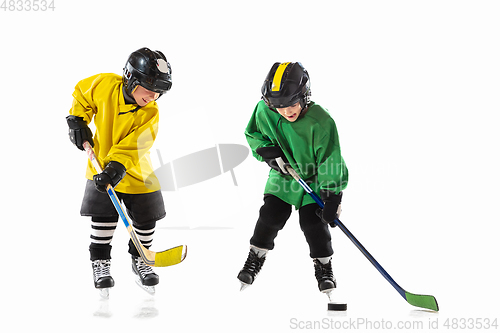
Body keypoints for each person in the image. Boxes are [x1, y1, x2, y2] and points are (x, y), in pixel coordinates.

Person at [66, 47, 172, 294]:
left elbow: (137, 144)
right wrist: (77, 120)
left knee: (147, 216)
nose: (153, 96)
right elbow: (82, 94)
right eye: (150, 89)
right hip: (100, 165)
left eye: (159, 92)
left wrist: (117, 165)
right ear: (132, 79)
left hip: (135, 169)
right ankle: (100, 263)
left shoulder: (150, 113)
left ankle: (142, 259)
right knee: (103, 217)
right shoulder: (105, 84)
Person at [237, 62, 349, 294]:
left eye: (292, 104)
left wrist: (332, 196)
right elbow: (253, 134)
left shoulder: (322, 122)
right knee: (270, 216)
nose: (287, 111)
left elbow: (331, 158)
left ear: (305, 96)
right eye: (279, 106)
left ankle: (324, 267)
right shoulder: (264, 110)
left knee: (313, 224)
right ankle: (255, 257)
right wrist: (267, 152)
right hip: (284, 175)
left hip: (315, 179)